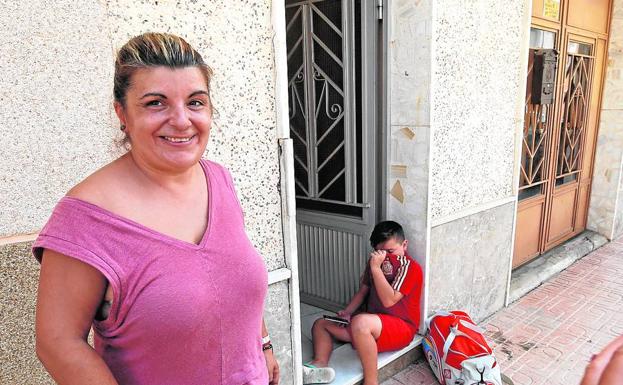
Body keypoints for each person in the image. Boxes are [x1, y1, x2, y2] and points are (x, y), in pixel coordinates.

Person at [33, 32, 279, 385]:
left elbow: (235, 278)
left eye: (196, 102)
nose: (181, 121)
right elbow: (58, 343)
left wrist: (264, 345)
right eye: (155, 103)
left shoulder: (220, 181)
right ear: (122, 113)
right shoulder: (85, 218)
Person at [303, 221, 423, 385]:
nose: (386, 257)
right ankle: (319, 365)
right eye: (380, 252)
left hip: (401, 327)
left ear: (404, 245)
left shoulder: (410, 268)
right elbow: (363, 291)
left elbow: (389, 300)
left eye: (390, 251)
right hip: (370, 324)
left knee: (361, 322)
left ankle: (371, 382)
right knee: (320, 324)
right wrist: (347, 312)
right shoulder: (374, 262)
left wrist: (376, 269)